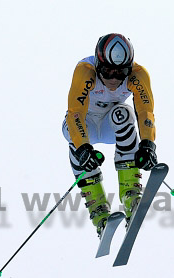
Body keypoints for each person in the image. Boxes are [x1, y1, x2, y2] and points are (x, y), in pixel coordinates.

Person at [62, 33, 158, 238]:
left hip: (110, 125)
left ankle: (131, 194)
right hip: (83, 125)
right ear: (98, 64)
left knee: (124, 113)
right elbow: (75, 113)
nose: (113, 78)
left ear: (129, 68)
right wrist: (83, 149)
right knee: (71, 133)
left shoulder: (138, 75)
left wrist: (148, 145)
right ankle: (99, 213)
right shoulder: (85, 71)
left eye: (121, 72)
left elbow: (145, 112)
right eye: (107, 71)